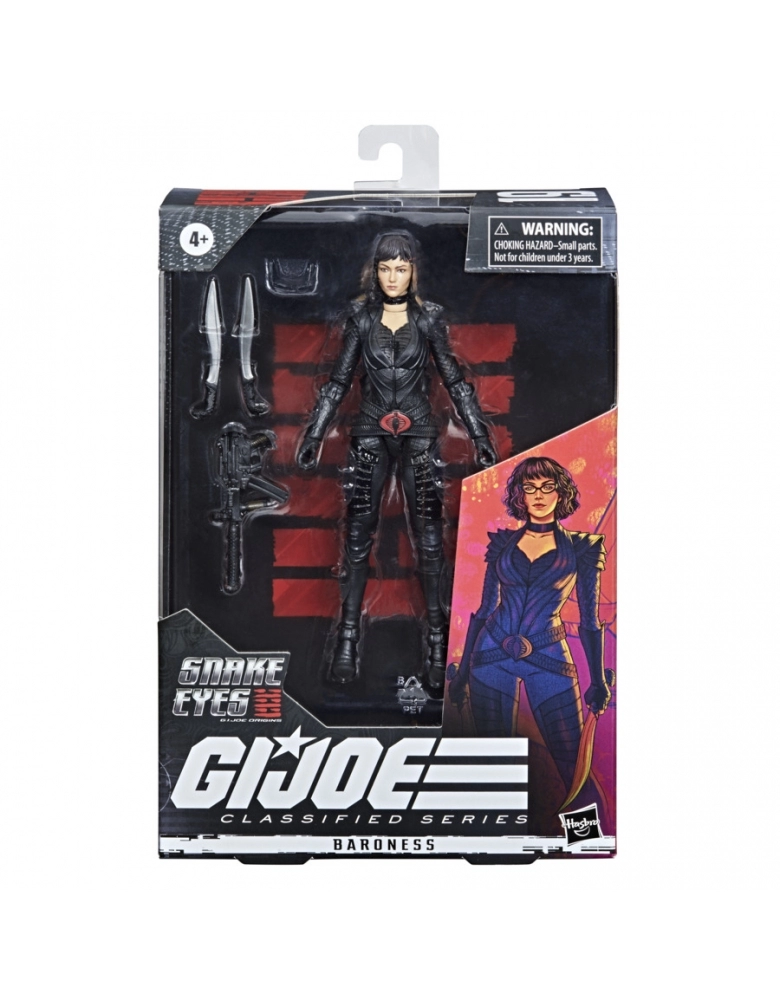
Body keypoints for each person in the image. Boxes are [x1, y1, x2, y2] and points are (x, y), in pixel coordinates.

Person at [296, 230, 496, 687]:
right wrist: (315, 433)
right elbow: (338, 380)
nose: (392, 277)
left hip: (419, 433)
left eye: (400, 269)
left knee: (429, 540)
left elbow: (454, 378)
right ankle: (348, 639)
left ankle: (438, 643)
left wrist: (479, 433)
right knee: (357, 537)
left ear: (412, 272)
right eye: (385, 268)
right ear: (376, 272)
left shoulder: (428, 320)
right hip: (370, 432)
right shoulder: (361, 319)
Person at [448, 456, 612, 793]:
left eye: (547, 487)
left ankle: (586, 829)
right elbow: (484, 610)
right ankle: (498, 825)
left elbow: (589, 621)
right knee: (492, 765)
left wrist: (598, 681)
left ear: (560, 493)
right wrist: (462, 673)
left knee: (574, 769)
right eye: (530, 487)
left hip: (549, 658)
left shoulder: (582, 548)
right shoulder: (502, 544)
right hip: (491, 655)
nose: (538, 495)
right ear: (520, 495)